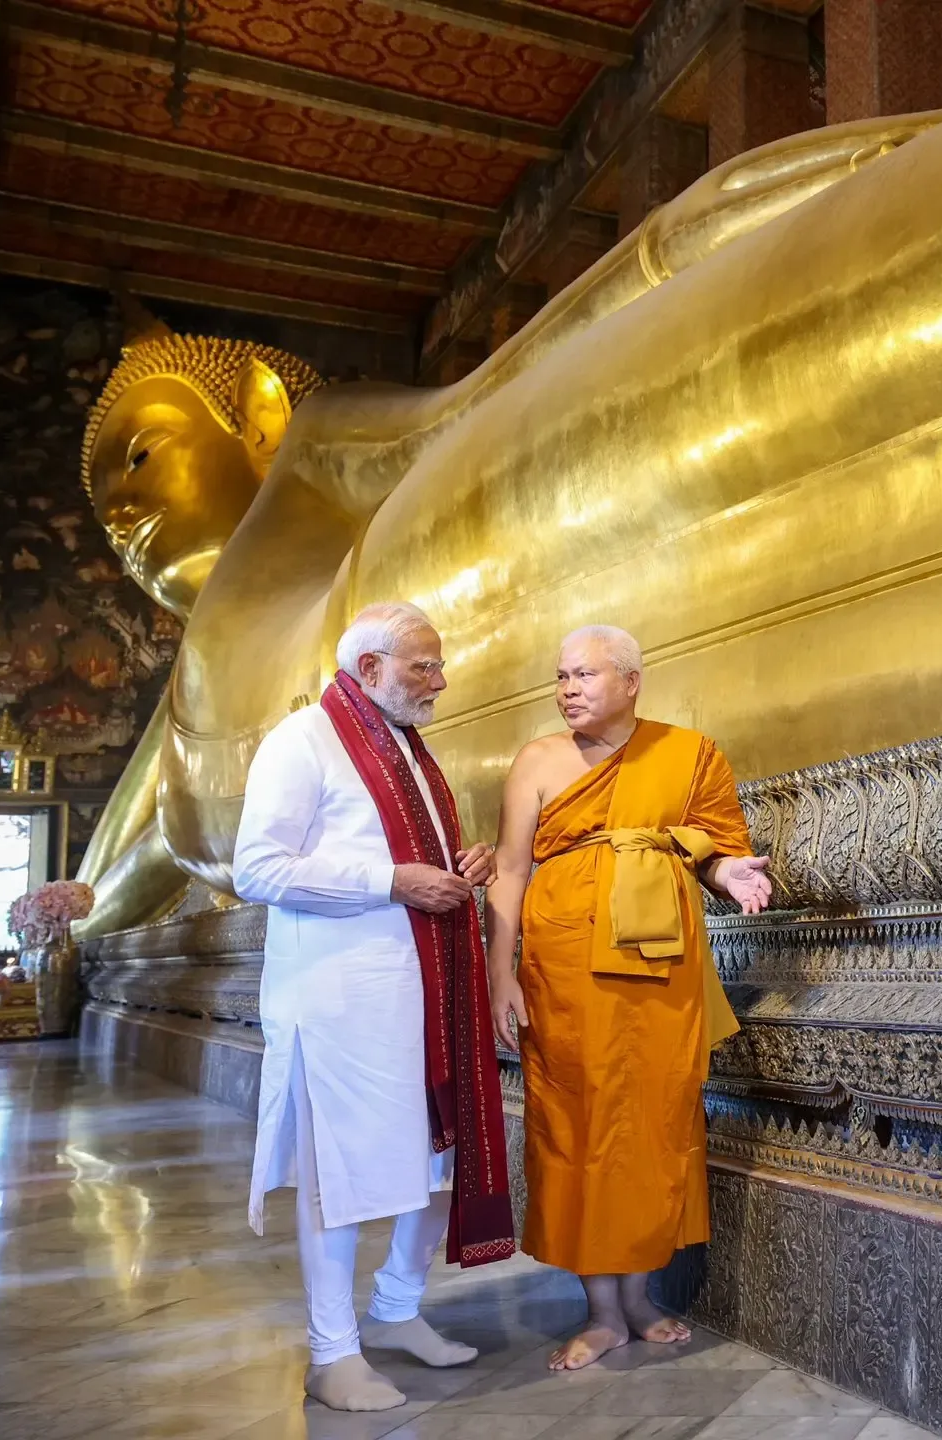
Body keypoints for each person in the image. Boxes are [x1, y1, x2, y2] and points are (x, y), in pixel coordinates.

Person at [233, 601, 515, 1412]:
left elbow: (415, 857)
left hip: (427, 997)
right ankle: (332, 1352)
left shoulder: (408, 749)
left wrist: (469, 861)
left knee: (435, 1161)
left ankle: (395, 1310)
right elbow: (257, 868)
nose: (441, 679)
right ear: (368, 670)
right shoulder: (303, 741)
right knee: (342, 1177)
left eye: (437, 663)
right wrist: (388, 881)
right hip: (341, 1006)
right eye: (423, 666)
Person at [485, 625, 772, 1370]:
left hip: (656, 972)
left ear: (631, 680)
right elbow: (510, 871)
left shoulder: (689, 753)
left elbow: (715, 845)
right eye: (560, 676)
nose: (567, 689)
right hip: (565, 969)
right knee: (577, 1125)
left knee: (652, 1121)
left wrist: (729, 875)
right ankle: (600, 1311)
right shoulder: (539, 761)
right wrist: (499, 971)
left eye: (584, 674)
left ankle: (640, 1298)